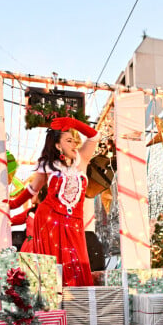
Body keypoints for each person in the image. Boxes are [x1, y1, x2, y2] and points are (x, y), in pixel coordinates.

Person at [8, 117, 99, 286]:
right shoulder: (48, 165)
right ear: (58, 146)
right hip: (50, 220)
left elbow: (94, 136)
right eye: (69, 140)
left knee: (78, 266)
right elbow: (32, 189)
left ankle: (76, 308)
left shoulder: (82, 159)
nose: (74, 144)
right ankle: (52, 309)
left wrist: (73, 122)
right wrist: (13, 204)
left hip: (74, 222)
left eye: (74, 141)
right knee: (53, 267)